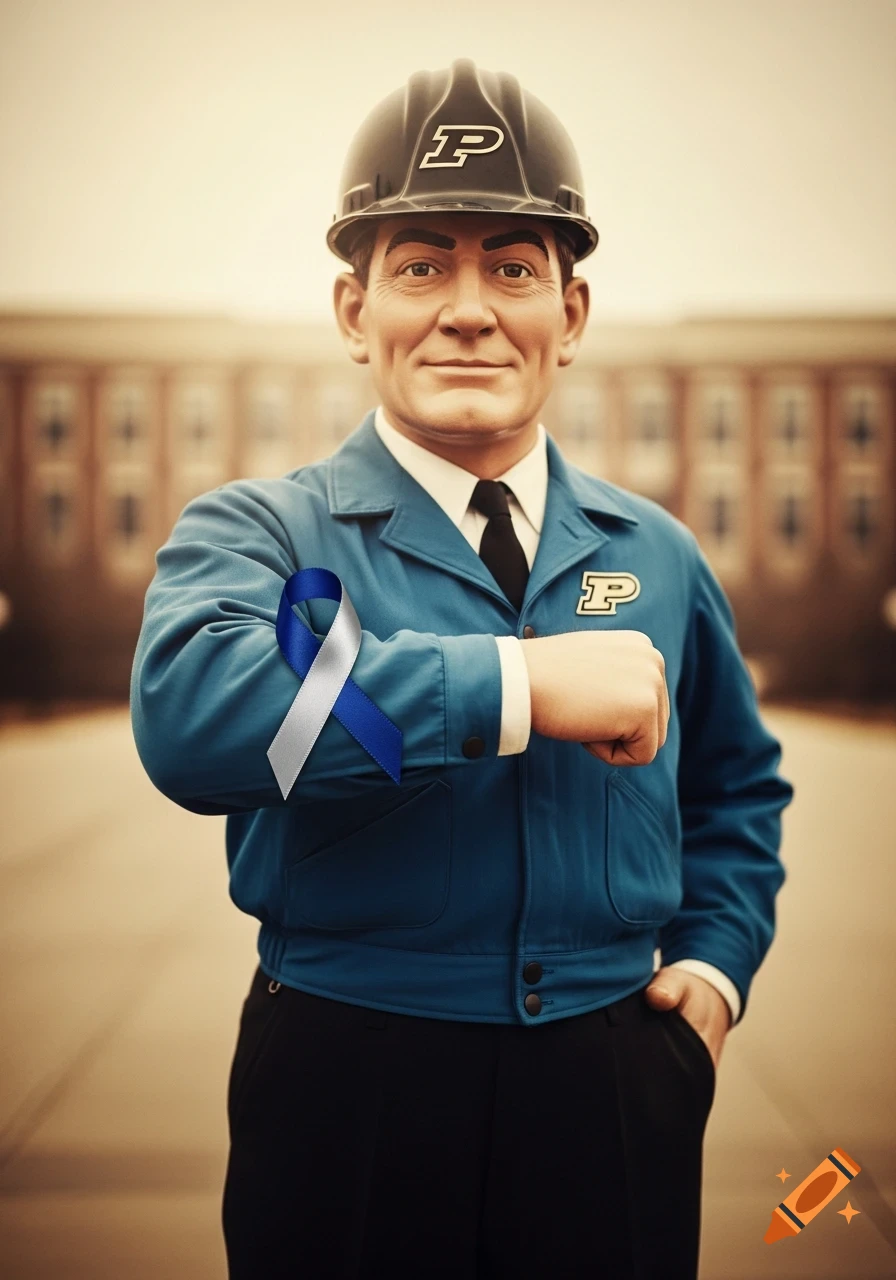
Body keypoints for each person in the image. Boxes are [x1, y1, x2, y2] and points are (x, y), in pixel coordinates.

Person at [130, 57, 794, 1279]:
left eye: (514, 268)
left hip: (612, 1084)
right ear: (353, 311)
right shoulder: (263, 534)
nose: (470, 308)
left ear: (571, 315)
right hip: (347, 1084)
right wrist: (519, 687)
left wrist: (710, 974)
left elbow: (736, 790)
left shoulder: (654, 553)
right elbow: (200, 723)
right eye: (422, 265)